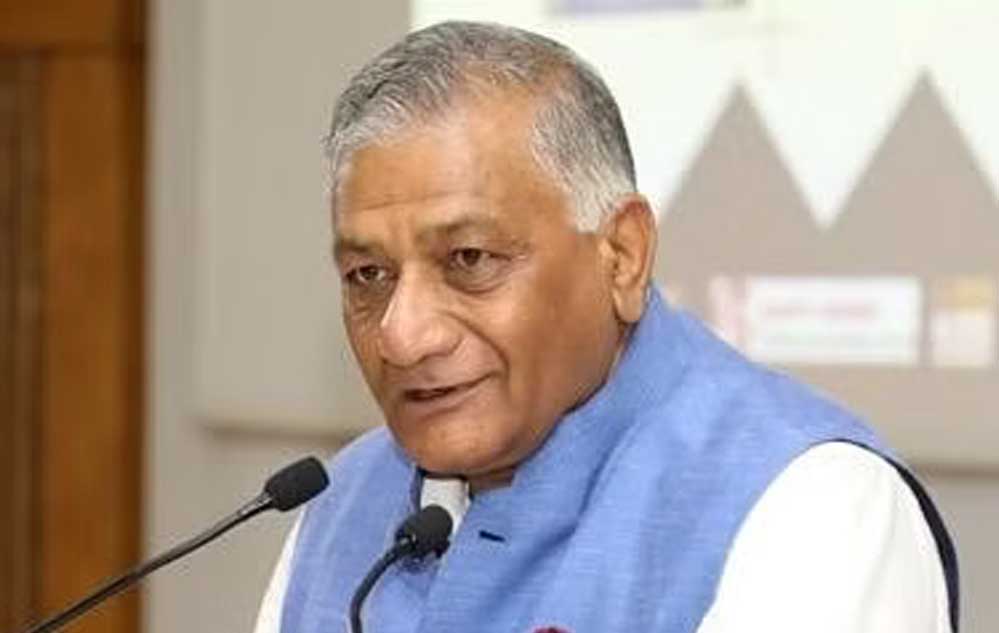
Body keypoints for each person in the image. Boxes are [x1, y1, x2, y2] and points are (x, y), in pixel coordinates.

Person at [254, 21, 958, 633]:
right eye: (367, 275)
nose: (402, 335)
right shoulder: (336, 505)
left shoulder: (810, 506)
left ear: (621, 256)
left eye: (469, 259)